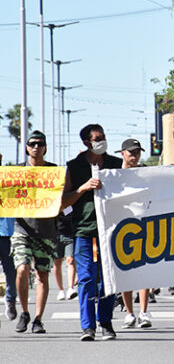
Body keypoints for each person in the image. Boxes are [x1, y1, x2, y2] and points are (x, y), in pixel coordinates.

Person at [61, 124, 123, 341]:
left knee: (109, 279)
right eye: (97, 138)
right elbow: (63, 202)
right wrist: (83, 188)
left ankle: (105, 322)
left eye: (104, 136)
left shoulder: (116, 164)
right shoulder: (74, 166)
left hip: (112, 230)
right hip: (85, 231)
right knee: (87, 278)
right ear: (86, 142)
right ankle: (88, 327)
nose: (102, 141)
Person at [11, 131, 59, 334]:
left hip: (46, 231)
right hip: (22, 228)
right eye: (32, 144)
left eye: (40, 143)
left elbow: (62, 198)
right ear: (27, 148)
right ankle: (24, 312)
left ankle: (38, 318)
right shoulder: (17, 172)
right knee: (22, 268)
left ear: (45, 147)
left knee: (42, 275)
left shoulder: (53, 171)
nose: (36, 147)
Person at [115, 139, 153, 329]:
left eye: (138, 152)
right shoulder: (114, 173)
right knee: (125, 271)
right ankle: (129, 313)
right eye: (131, 152)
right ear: (122, 153)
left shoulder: (146, 172)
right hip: (121, 226)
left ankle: (144, 312)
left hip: (143, 224)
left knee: (143, 270)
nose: (135, 156)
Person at [52, 212, 77, 301]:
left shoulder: (70, 198)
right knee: (57, 262)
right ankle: (60, 290)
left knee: (70, 260)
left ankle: (70, 288)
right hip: (56, 234)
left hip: (70, 233)